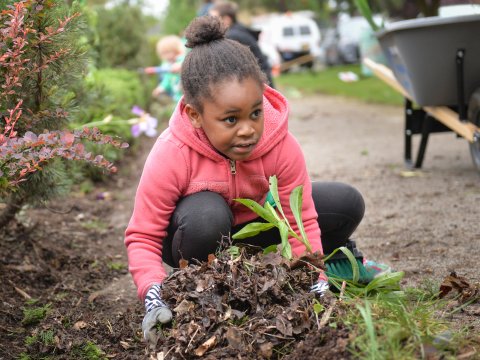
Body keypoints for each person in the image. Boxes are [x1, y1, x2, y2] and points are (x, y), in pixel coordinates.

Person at [125, 15, 377, 344]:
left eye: (255, 113)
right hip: (198, 239)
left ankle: (329, 264)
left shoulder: (278, 143)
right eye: (231, 119)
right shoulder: (172, 152)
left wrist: (312, 281)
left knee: (345, 203)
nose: (248, 129)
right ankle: (204, 286)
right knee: (207, 215)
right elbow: (143, 235)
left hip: (257, 235)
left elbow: (299, 218)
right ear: (195, 115)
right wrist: (153, 295)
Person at [209, 1, 275, 88]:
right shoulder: (238, 30)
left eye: (214, 18)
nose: (211, 21)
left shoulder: (233, 36)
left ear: (227, 19)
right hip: (261, 80)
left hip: (259, 84)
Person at [144, 35, 185, 103]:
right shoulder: (168, 65)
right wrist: (160, 88)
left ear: (176, 50)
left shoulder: (182, 59)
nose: (165, 56)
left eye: (167, 53)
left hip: (188, 96)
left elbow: (186, 63)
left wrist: (180, 65)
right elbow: (167, 80)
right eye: (163, 54)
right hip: (178, 98)